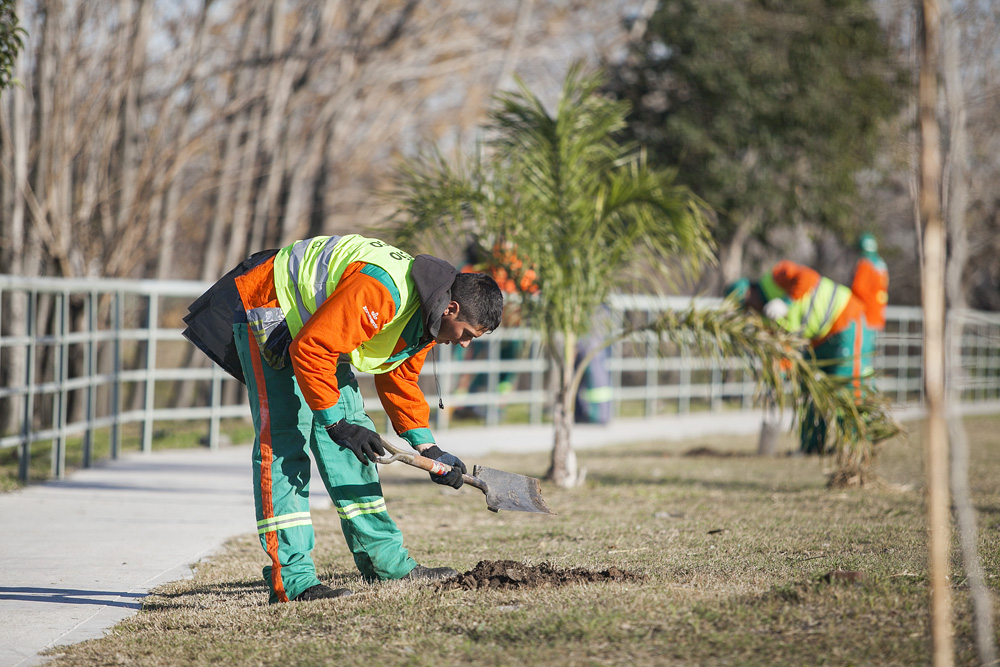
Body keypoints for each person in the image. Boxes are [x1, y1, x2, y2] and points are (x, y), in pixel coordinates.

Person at [182, 233, 504, 603]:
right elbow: (313, 348)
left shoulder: (428, 312)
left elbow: (398, 377)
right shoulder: (383, 291)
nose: (464, 344)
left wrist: (429, 447)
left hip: (318, 330)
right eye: (467, 334)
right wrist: (336, 423)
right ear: (452, 309)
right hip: (270, 305)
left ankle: (386, 564)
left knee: (357, 444)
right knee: (285, 442)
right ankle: (294, 580)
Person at [728, 259, 876, 454]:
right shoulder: (766, 319)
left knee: (845, 386)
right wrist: (777, 380)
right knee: (810, 389)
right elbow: (784, 350)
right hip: (818, 340)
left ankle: (855, 444)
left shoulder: (775, 276)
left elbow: (808, 277)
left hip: (846, 320)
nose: (750, 312)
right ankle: (812, 447)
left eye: (747, 306)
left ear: (749, 292)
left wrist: (786, 302)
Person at [850, 233, 889, 331]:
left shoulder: (865, 264)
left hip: (866, 314)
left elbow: (858, 288)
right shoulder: (881, 264)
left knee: (864, 344)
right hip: (878, 313)